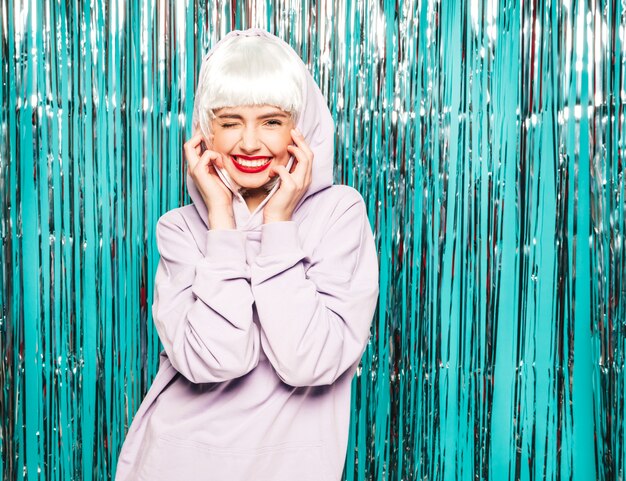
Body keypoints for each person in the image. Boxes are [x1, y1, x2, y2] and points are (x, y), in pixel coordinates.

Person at [115, 28, 379, 481]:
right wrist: (222, 221)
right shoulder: (179, 228)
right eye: (231, 121)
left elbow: (308, 362)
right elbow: (216, 360)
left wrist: (279, 224)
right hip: (174, 464)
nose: (251, 143)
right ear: (206, 132)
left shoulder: (340, 215)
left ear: (301, 129)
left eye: (272, 121)